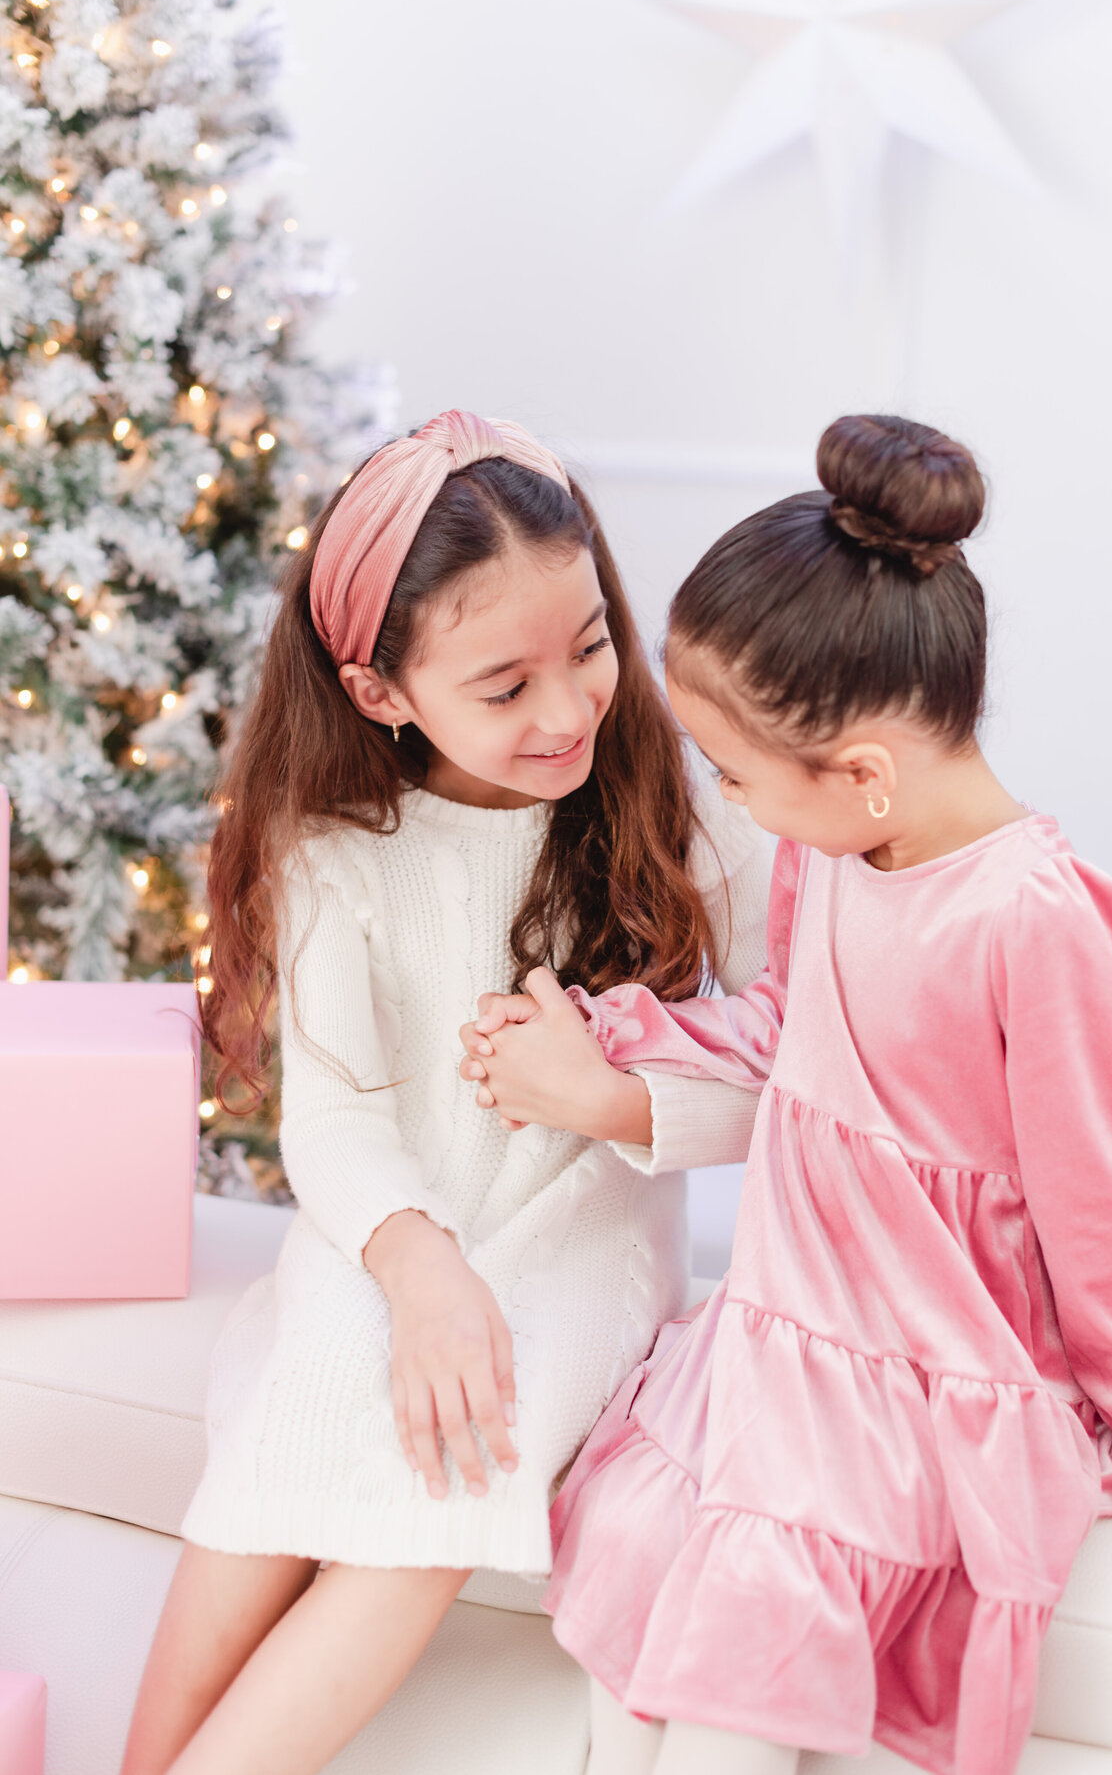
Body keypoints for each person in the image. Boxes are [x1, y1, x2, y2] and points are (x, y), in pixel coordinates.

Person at [458, 413, 1112, 1775]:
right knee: (630, 1620)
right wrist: (617, 1044)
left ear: (860, 774)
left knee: (733, 1679)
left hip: (909, 1380)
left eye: (735, 773)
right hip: (776, 1334)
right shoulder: (839, 849)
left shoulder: (1037, 920)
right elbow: (791, 1034)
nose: (725, 798)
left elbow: (1098, 1199)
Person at [120, 410, 772, 1775]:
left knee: (455, 1449)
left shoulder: (686, 816)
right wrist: (416, 1267)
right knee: (300, 1414)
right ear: (381, 692)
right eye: (504, 682)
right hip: (391, 1232)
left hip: (576, 1245)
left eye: (591, 644)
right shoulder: (336, 846)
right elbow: (339, 1114)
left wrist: (607, 1099)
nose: (567, 708)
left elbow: (787, 1075)